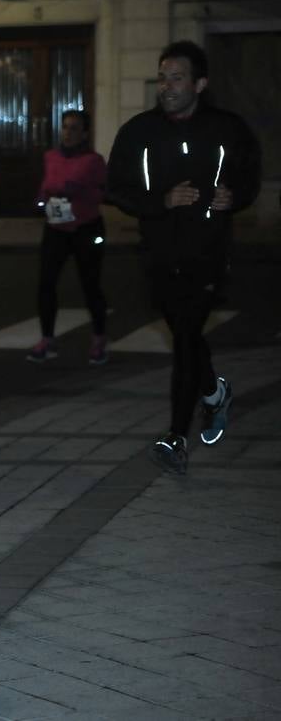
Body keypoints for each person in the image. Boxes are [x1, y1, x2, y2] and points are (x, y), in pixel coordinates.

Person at [106, 41, 261, 475]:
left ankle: (176, 436)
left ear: (200, 83)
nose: (167, 86)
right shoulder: (139, 131)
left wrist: (238, 197)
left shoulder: (228, 128)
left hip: (209, 253)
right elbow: (115, 188)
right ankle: (214, 393)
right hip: (158, 252)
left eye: (176, 77)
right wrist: (160, 200)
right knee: (186, 336)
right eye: (162, 77)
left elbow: (250, 174)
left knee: (187, 338)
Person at [28, 109, 110, 366]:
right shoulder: (51, 157)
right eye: (65, 127)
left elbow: (103, 193)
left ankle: (98, 338)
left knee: (90, 285)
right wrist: (41, 200)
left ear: (84, 133)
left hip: (86, 228)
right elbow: (46, 186)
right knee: (46, 284)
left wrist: (80, 192)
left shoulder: (94, 161)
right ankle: (47, 339)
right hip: (56, 228)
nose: (68, 132)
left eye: (75, 128)